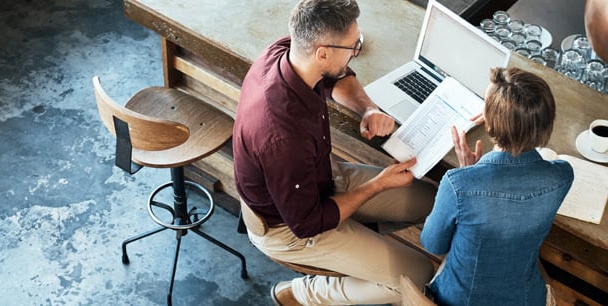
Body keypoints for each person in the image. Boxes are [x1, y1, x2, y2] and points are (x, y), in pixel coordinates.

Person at [232, 0, 436, 304]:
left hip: (320, 178)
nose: (356, 52)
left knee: (430, 200)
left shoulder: (286, 51)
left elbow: (336, 76)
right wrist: (378, 184)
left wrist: (367, 109)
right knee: (417, 275)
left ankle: (359, 242)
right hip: (287, 228)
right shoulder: (283, 137)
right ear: (322, 53)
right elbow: (307, 223)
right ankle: (302, 293)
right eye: (352, 47)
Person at [420, 67, 574, 306]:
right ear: (546, 126)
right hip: (524, 298)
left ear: (489, 126)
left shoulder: (457, 184)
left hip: (459, 300)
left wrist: (467, 173)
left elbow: (433, 245)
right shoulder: (563, 176)